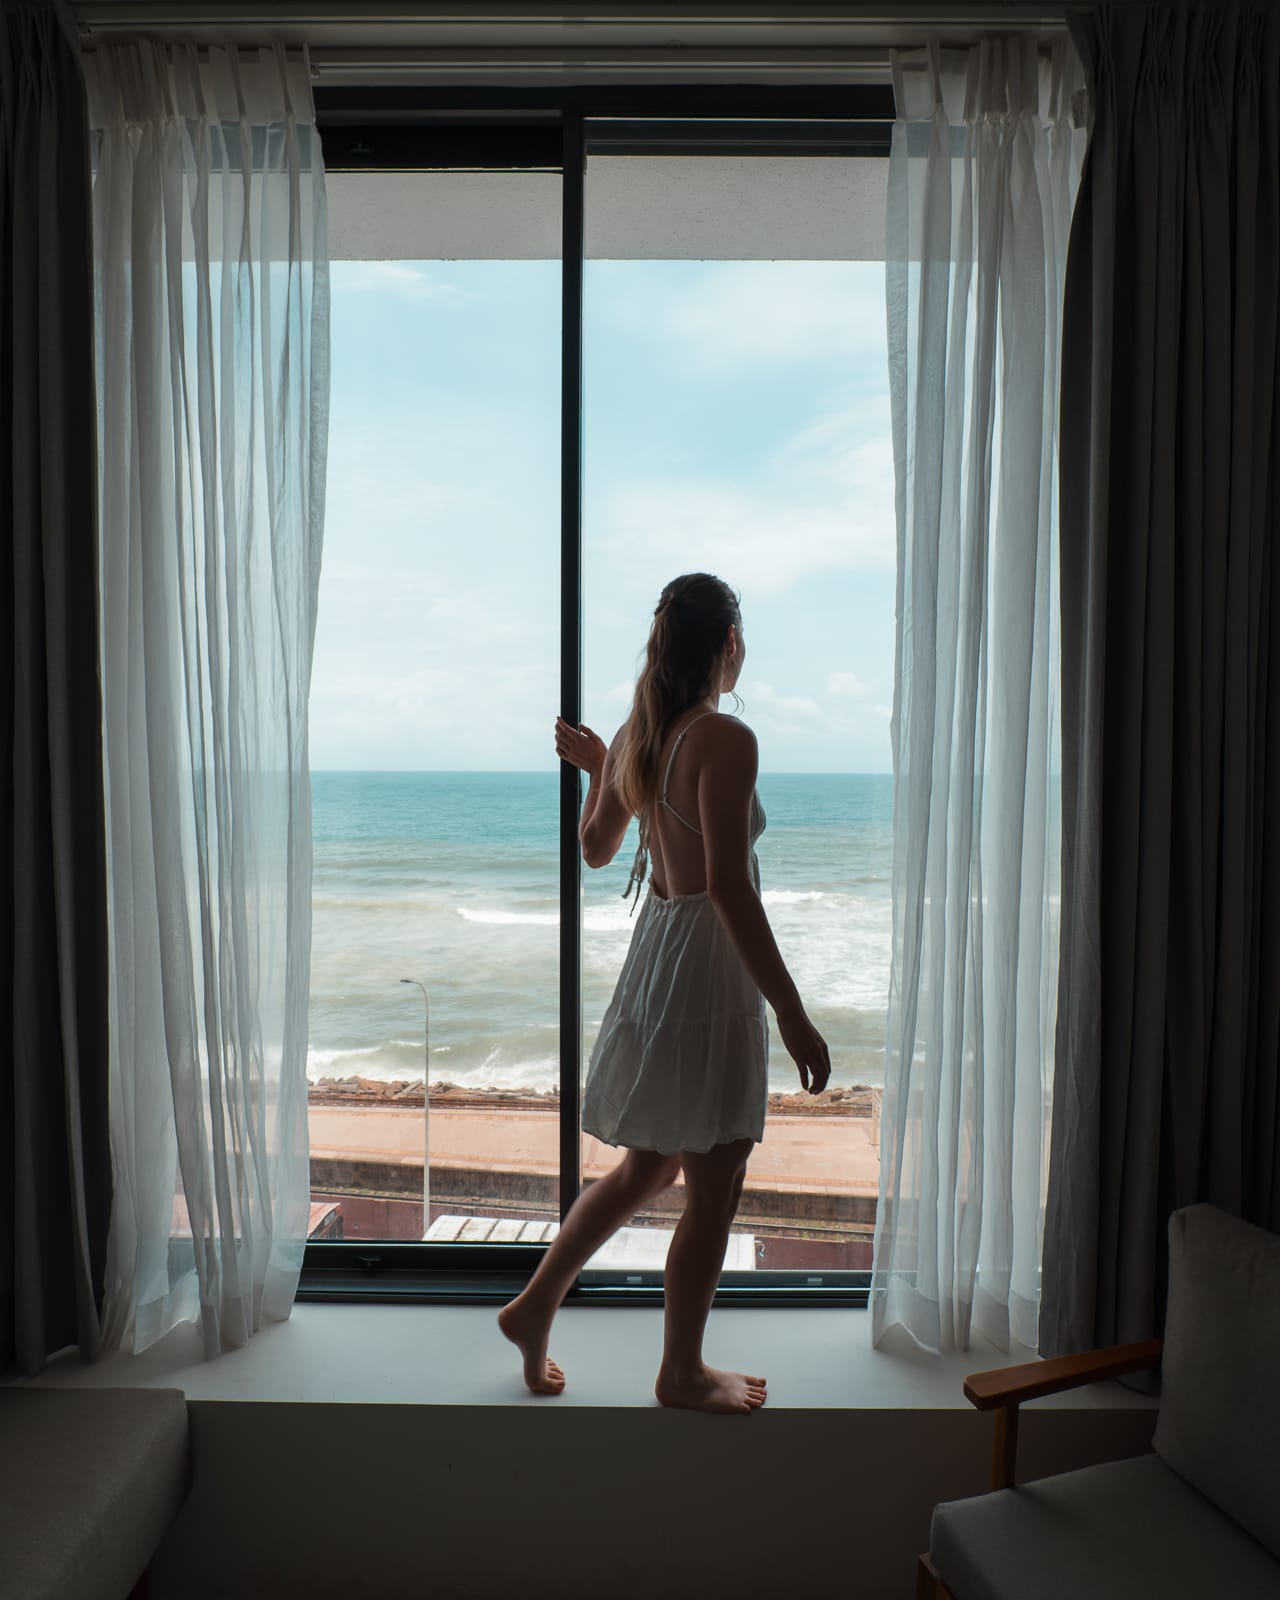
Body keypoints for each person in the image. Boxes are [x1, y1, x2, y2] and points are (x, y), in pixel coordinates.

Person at [498, 572, 830, 1414]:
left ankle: (533, 1308)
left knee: (645, 1167)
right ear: (727, 643)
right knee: (714, 1182)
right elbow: (729, 887)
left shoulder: (640, 736)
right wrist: (792, 1013)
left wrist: (604, 769)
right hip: (706, 971)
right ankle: (680, 1371)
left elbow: (596, 851)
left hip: (659, 958)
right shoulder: (723, 738)